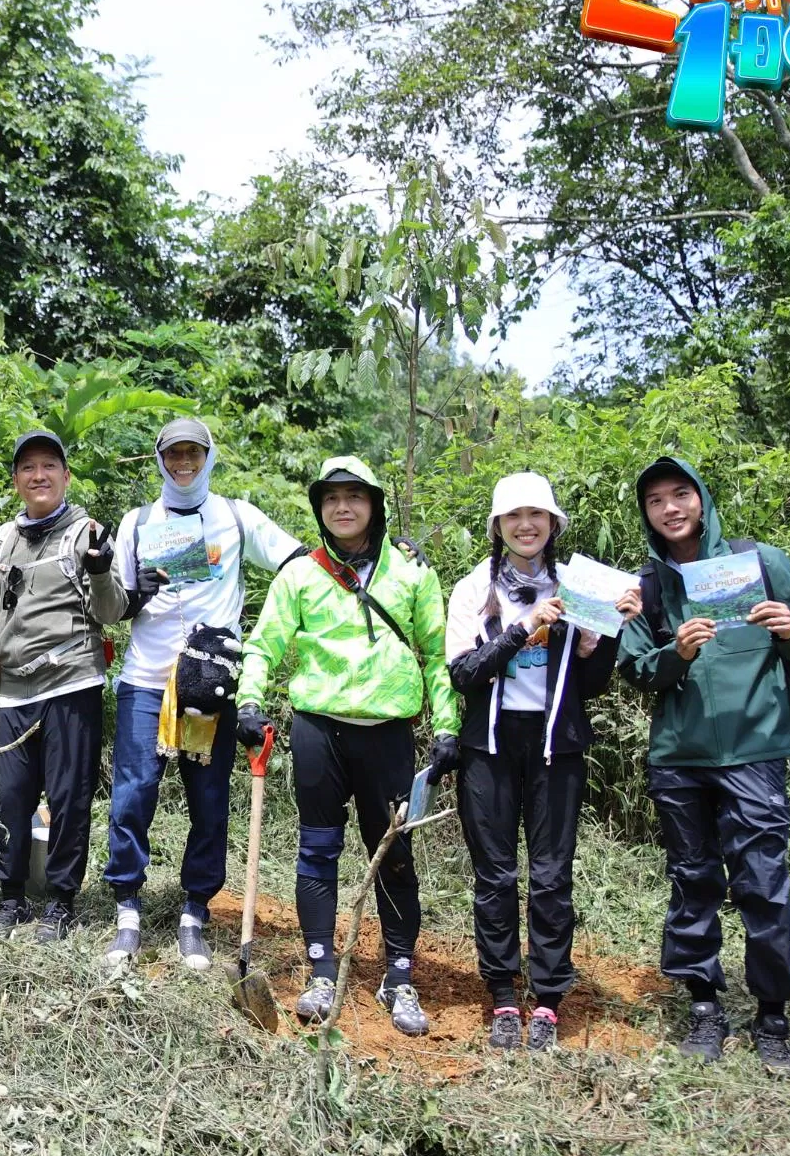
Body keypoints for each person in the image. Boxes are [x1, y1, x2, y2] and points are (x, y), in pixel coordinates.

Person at [232, 457, 461, 1036]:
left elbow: (436, 654)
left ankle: (400, 976)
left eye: (355, 496)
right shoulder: (301, 575)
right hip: (318, 731)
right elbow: (262, 645)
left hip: (388, 734)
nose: (342, 507)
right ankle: (321, 971)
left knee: (394, 853)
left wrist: (448, 726)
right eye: (331, 498)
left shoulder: (410, 571)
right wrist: (249, 700)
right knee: (317, 850)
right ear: (319, 508)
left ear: (375, 504)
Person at [617, 456, 790, 1073]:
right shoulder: (647, 587)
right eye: (656, 501)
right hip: (680, 757)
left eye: (680, 494)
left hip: (755, 748)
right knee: (694, 880)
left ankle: (772, 1016)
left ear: (701, 499)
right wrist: (675, 653)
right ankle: (704, 1005)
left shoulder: (759, 562)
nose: (670, 508)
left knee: (763, 881)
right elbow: (635, 671)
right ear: (647, 514)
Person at [445, 472, 639, 1052]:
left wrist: (602, 636)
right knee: (496, 876)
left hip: (559, 745)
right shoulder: (474, 589)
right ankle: (504, 994)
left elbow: (593, 685)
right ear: (498, 528)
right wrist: (524, 628)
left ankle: (549, 999)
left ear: (553, 525)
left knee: (552, 876)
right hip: (490, 746)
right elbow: (463, 673)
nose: (526, 525)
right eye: (513, 517)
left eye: (537, 516)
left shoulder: (579, 586)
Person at [101, 418, 302, 969]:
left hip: (210, 681)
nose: (183, 463)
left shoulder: (236, 517)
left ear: (209, 456)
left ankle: (195, 910)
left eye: (193, 453)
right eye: (173, 454)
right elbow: (112, 602)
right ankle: (127, 909)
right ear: (159, 459)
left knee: (208, 802)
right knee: (134, 794)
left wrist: (377, 553)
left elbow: (298, 561)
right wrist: (130, 590)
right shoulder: (137, 522)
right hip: (145, 678)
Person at [0, 430, 129, 943]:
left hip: (71, 684)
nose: (38, 476)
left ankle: (61, 901)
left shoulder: (88, 533)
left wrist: (102, 570)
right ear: (16, 479)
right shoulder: (1, 540)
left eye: (48, 466)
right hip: (15, 689)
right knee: (13, 799)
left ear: (65, 475)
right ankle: (10, 897)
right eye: (28, 468)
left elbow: (111, 612)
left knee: (69, 797)